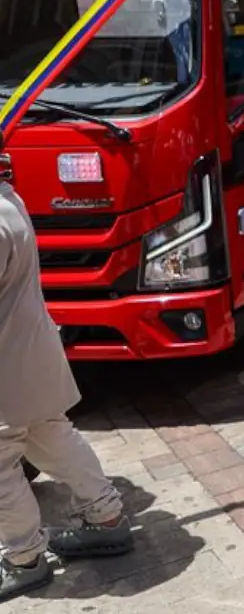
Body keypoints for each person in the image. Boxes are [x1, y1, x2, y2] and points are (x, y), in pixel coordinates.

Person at [0, 180, 134, 603]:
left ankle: (23, 559)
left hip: (6, 362)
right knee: (50, 434)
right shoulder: (9, 199)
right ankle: (106, 517)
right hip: (29, 350)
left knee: (2, 462)